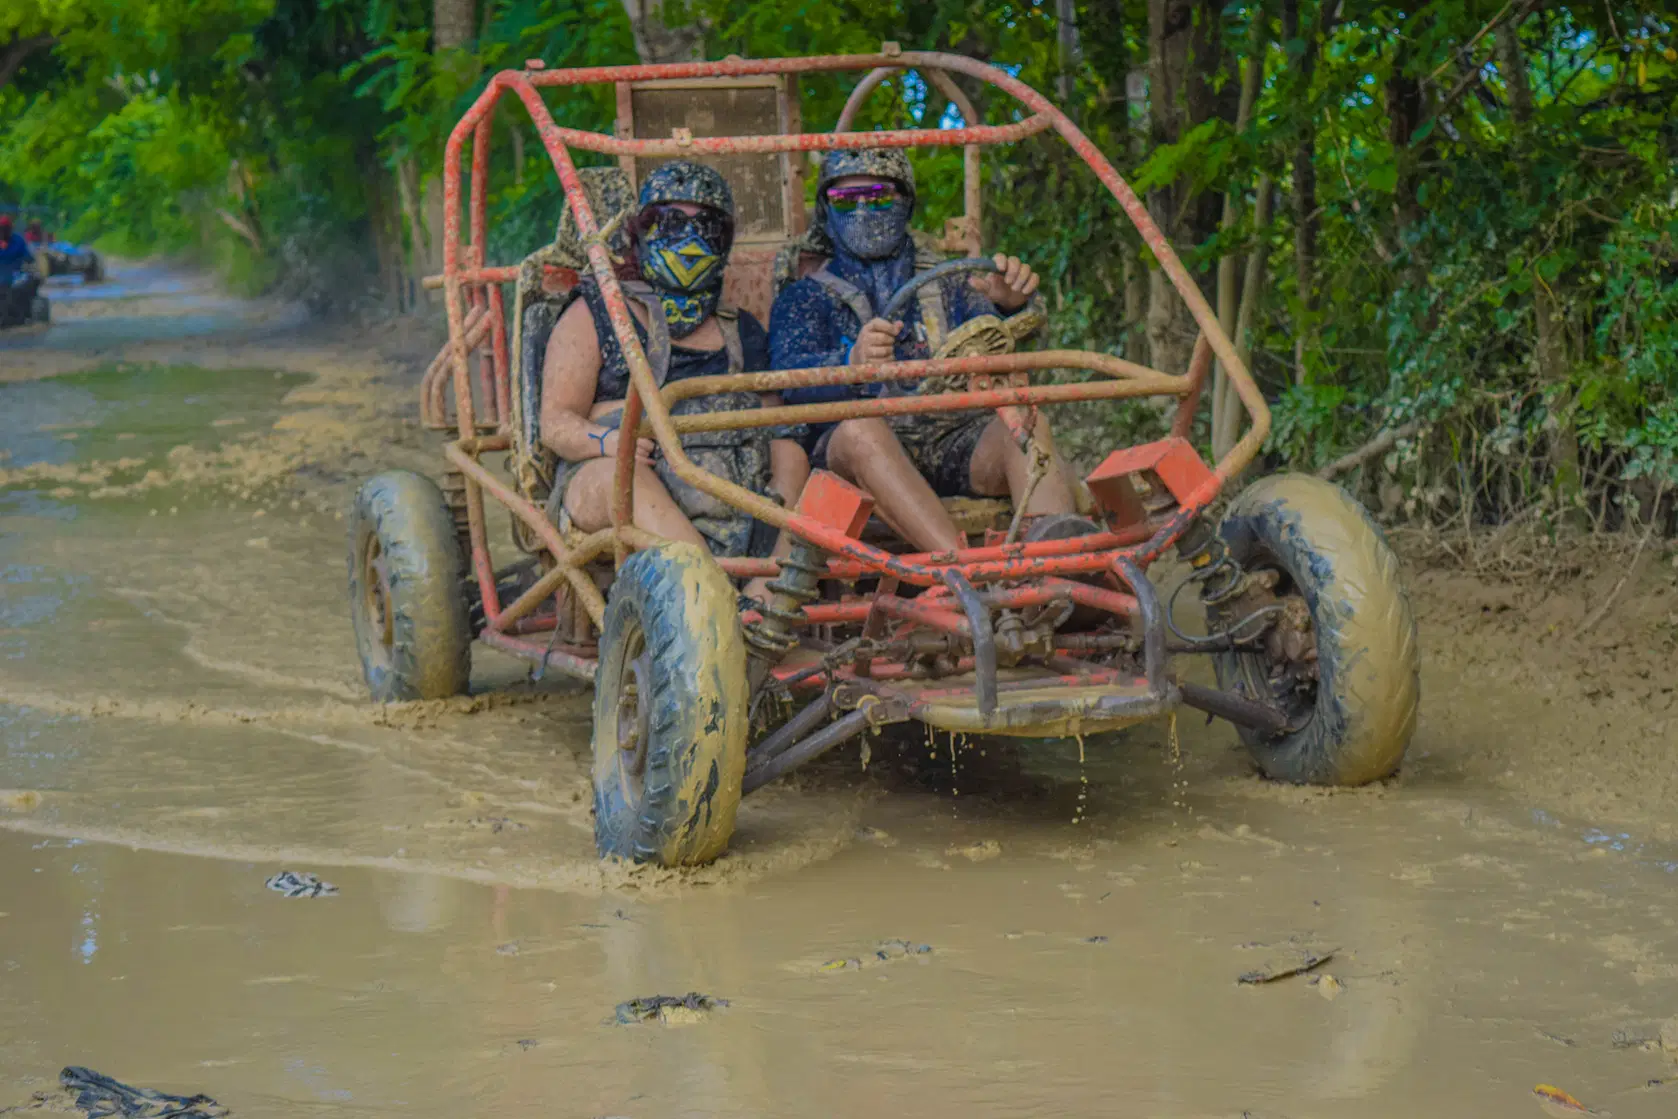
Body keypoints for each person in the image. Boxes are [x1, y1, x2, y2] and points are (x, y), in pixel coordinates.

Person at [769, 149, 1077, 555]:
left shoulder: (951, 282)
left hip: (953, 436)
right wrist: (851, 364)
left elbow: (995, 343)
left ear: (905, 201)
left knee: (1026, 421)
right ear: (826, 208)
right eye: (846, 200)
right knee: (861, 431)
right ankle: (967, 576)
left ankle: (1061, 569)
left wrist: (1010, 305)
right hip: (857, 452)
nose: (863, 210)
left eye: (878, 196)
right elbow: (788, 382)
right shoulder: (804, 297)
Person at [538, 161, 809, 603]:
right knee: (619, 475)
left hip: (733, 487)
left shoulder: (740, 329)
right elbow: (555, 423)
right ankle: (716, 601)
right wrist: (610, 442)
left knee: (797, 460)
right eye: (669, 222)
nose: (688, 237)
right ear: (640, 232)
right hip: (616, 477)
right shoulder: (599, 313)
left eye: (705, 225)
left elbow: (776, 424)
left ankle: (762, 598)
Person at [0, 214, 41, 326]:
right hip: (5, 279)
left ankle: (23, 314)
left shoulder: (18, 241)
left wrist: (35, 271)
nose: (3, 232)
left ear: (9, 229)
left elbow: (29, 259)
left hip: (15, 278)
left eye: (5, 229)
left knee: (31, 281)